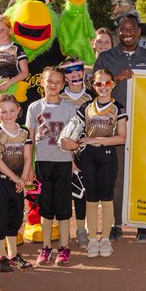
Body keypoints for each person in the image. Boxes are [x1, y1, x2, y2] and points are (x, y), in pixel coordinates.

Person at [93, 11, 146, 242]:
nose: (128, 33)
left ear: (139, 32)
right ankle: (116, 223)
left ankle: (142, 222)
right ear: (118, 31)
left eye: (132, 29)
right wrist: (116, 79)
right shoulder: (106, 58)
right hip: (113, 126)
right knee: (116, 176)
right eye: (123, 29)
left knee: (142, 174)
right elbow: (94, 85)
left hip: (143, 124)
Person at [61, 69, 127, 257]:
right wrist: (69, 142)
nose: (103, 87)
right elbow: (72, 133)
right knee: (91, 198)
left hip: (107, 156)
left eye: (107, 83)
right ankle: (92, 240)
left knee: (106, 198)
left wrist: (95, 141)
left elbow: (122, 138)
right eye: (99, 84)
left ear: (113, 85)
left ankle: (105, 239)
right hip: (88, 156)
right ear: (93, 86)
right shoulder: (86, 107)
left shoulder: (119, 108)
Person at [26, 66, 79, 264]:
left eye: (58, 82)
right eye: (50, 81)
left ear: (63, 84)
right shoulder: (34, 108)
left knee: (64, 206)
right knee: (45, 206)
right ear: (42, 82)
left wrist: (73, 161)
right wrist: (29, 167)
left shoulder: (70, 109)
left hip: (63, 162)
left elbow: (75, 139)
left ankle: (64, 246)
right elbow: (29, 141)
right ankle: (46, 247)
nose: (53, 85)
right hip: (42, 163)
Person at [0, 94, 33, 270]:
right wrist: (16, 178)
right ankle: (1, 257)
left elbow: (28, 156)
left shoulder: (24, 131)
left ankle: (14, 254)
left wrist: (23, 177)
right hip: (1, 181)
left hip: (18, 181)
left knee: (15, 216)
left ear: (18, 111)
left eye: (12, 110)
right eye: (3, 111)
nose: (8, 114)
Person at [58, 59, 93, 248]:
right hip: (61, 153)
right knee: (63, 194)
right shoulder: (58, 97)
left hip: (84, 153)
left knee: (82, 193)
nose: (75, 75)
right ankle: (63, 231)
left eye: (78, 70)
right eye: (69, 72)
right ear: (64, 77)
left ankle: (81, 229)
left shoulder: (92, 97)